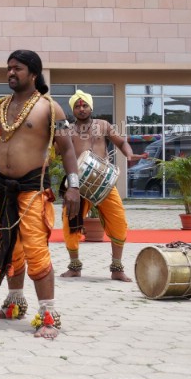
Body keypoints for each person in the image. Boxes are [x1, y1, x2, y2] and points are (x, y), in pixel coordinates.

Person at [0, 50, 81, 340]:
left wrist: (74, 185)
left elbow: (66, 150)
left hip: (31, 188)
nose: (10, 73)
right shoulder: (0, 107)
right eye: (8, 68)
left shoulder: (50, 108)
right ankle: (14, 304)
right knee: (9, 248)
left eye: (16, 68)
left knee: (36, 250)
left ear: (33, 73)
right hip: (0, 188)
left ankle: (48, 314)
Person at [59, 90, 142, 282]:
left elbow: (121, 142)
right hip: (77, 184)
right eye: (77, 106)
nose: (81, 109)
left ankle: (117, 268)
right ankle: (74, 267)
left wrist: (129, 154)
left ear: (91, 107)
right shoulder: (67, 130)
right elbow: (60, 152)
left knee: (119, 220)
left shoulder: (103, 125)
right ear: (73, 109)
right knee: (69, 223)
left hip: (104, 182)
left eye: (84, 105)